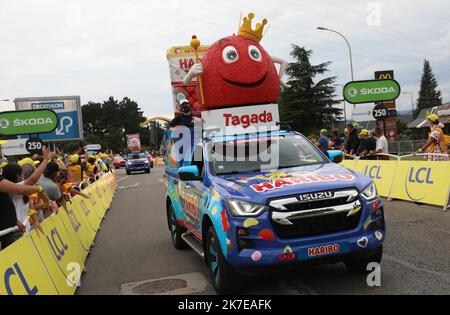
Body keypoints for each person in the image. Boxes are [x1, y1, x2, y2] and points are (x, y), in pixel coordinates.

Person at [0, 172, 44, 249]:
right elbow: (32, 179)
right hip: (13, 231)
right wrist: (39, 189)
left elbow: (30, 208)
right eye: (21, 174)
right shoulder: (14, 189)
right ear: (17, 175)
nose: (23, 176)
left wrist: (36, 220)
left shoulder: (22, 190)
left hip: (24, 229)